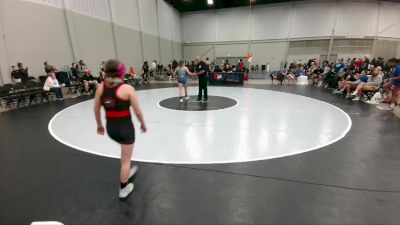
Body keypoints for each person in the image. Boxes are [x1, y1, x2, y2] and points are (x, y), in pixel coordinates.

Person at [94, 59, 147, 200]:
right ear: (121, 72)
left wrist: (99, 125)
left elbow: (96, 109)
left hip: (111, 129)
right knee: (126, 161)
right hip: (125, 129)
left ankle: (126, 171)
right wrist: (143, 124)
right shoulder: (127, 89)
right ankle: (124, 188)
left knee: (124, 157)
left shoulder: (101, 87)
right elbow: (138, 112)